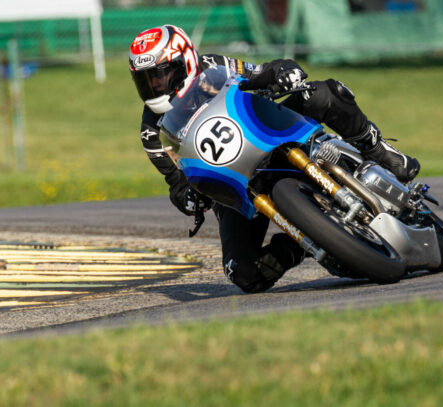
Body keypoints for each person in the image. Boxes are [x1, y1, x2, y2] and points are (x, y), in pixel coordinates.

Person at [129, 25, 420, 293]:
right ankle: (304, 240)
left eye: (160, 74)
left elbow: (259, 73)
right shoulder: (150, 132)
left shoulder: (213, 65)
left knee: (321, 94)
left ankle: (378, 149)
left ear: (185, 61)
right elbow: (177, 181)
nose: (154, 85)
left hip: (265, 131)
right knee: (244, 274)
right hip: (234, 187)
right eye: (145, 80)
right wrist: (188, 199)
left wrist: (283, 70)